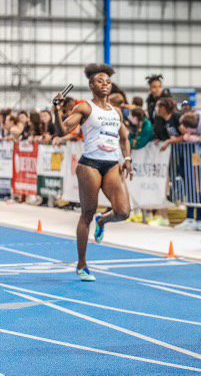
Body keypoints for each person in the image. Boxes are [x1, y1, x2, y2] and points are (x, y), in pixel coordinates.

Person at [53, 64, 133, 282]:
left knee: (124, 211)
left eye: (108, 81)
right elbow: (62, 131)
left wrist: (127, 159)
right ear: (91, 85)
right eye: (100, 81)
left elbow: (124, 137)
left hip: (112, 165)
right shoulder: (85, 108)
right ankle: (82, 264)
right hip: (90, 164)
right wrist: (56, 111)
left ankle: (103, 221)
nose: (105, 84)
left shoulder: (116, 112)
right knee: (86, 214)